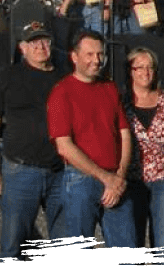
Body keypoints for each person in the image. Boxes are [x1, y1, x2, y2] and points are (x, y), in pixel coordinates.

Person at [0, 22, 68, 261]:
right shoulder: (8, 77)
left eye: (45, 41)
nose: (40, 46)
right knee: (13, 246)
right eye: (34, 42)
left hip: (61, 172)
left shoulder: (65, 78)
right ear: (23, 47)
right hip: (21, 171)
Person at [47, 30, 136, 247]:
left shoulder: (109, 87)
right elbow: (64, 146)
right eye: (89, 54)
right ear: (74, 57)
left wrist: (119, 176)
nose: (96, 60)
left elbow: (124, 133)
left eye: (100, 54)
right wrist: (107, 179)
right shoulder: (61, 93)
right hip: (81, 181)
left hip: (115, 178)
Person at [123, 47, 164, 263]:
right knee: (134, 242)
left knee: (162, 246)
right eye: (139, 67)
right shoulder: (121, 103)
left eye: (150, 67)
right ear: (130, 71)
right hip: (133, 181)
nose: (145, 72)